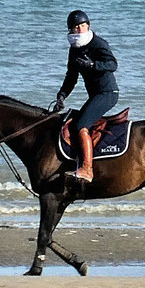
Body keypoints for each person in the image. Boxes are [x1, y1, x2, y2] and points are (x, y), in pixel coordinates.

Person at [51, 9, 119, 182]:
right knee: (69, 122)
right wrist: (62, 96)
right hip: (95, 95)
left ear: (88, 26)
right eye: (76, 27)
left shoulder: (98, 43)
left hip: (108, 93)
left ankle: (87, 169)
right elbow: (71, 77)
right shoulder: (74, 50)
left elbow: (112, 64)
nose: (80, 29)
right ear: (71, 30)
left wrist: (93, 65)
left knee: (81, 124)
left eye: (83, 25)